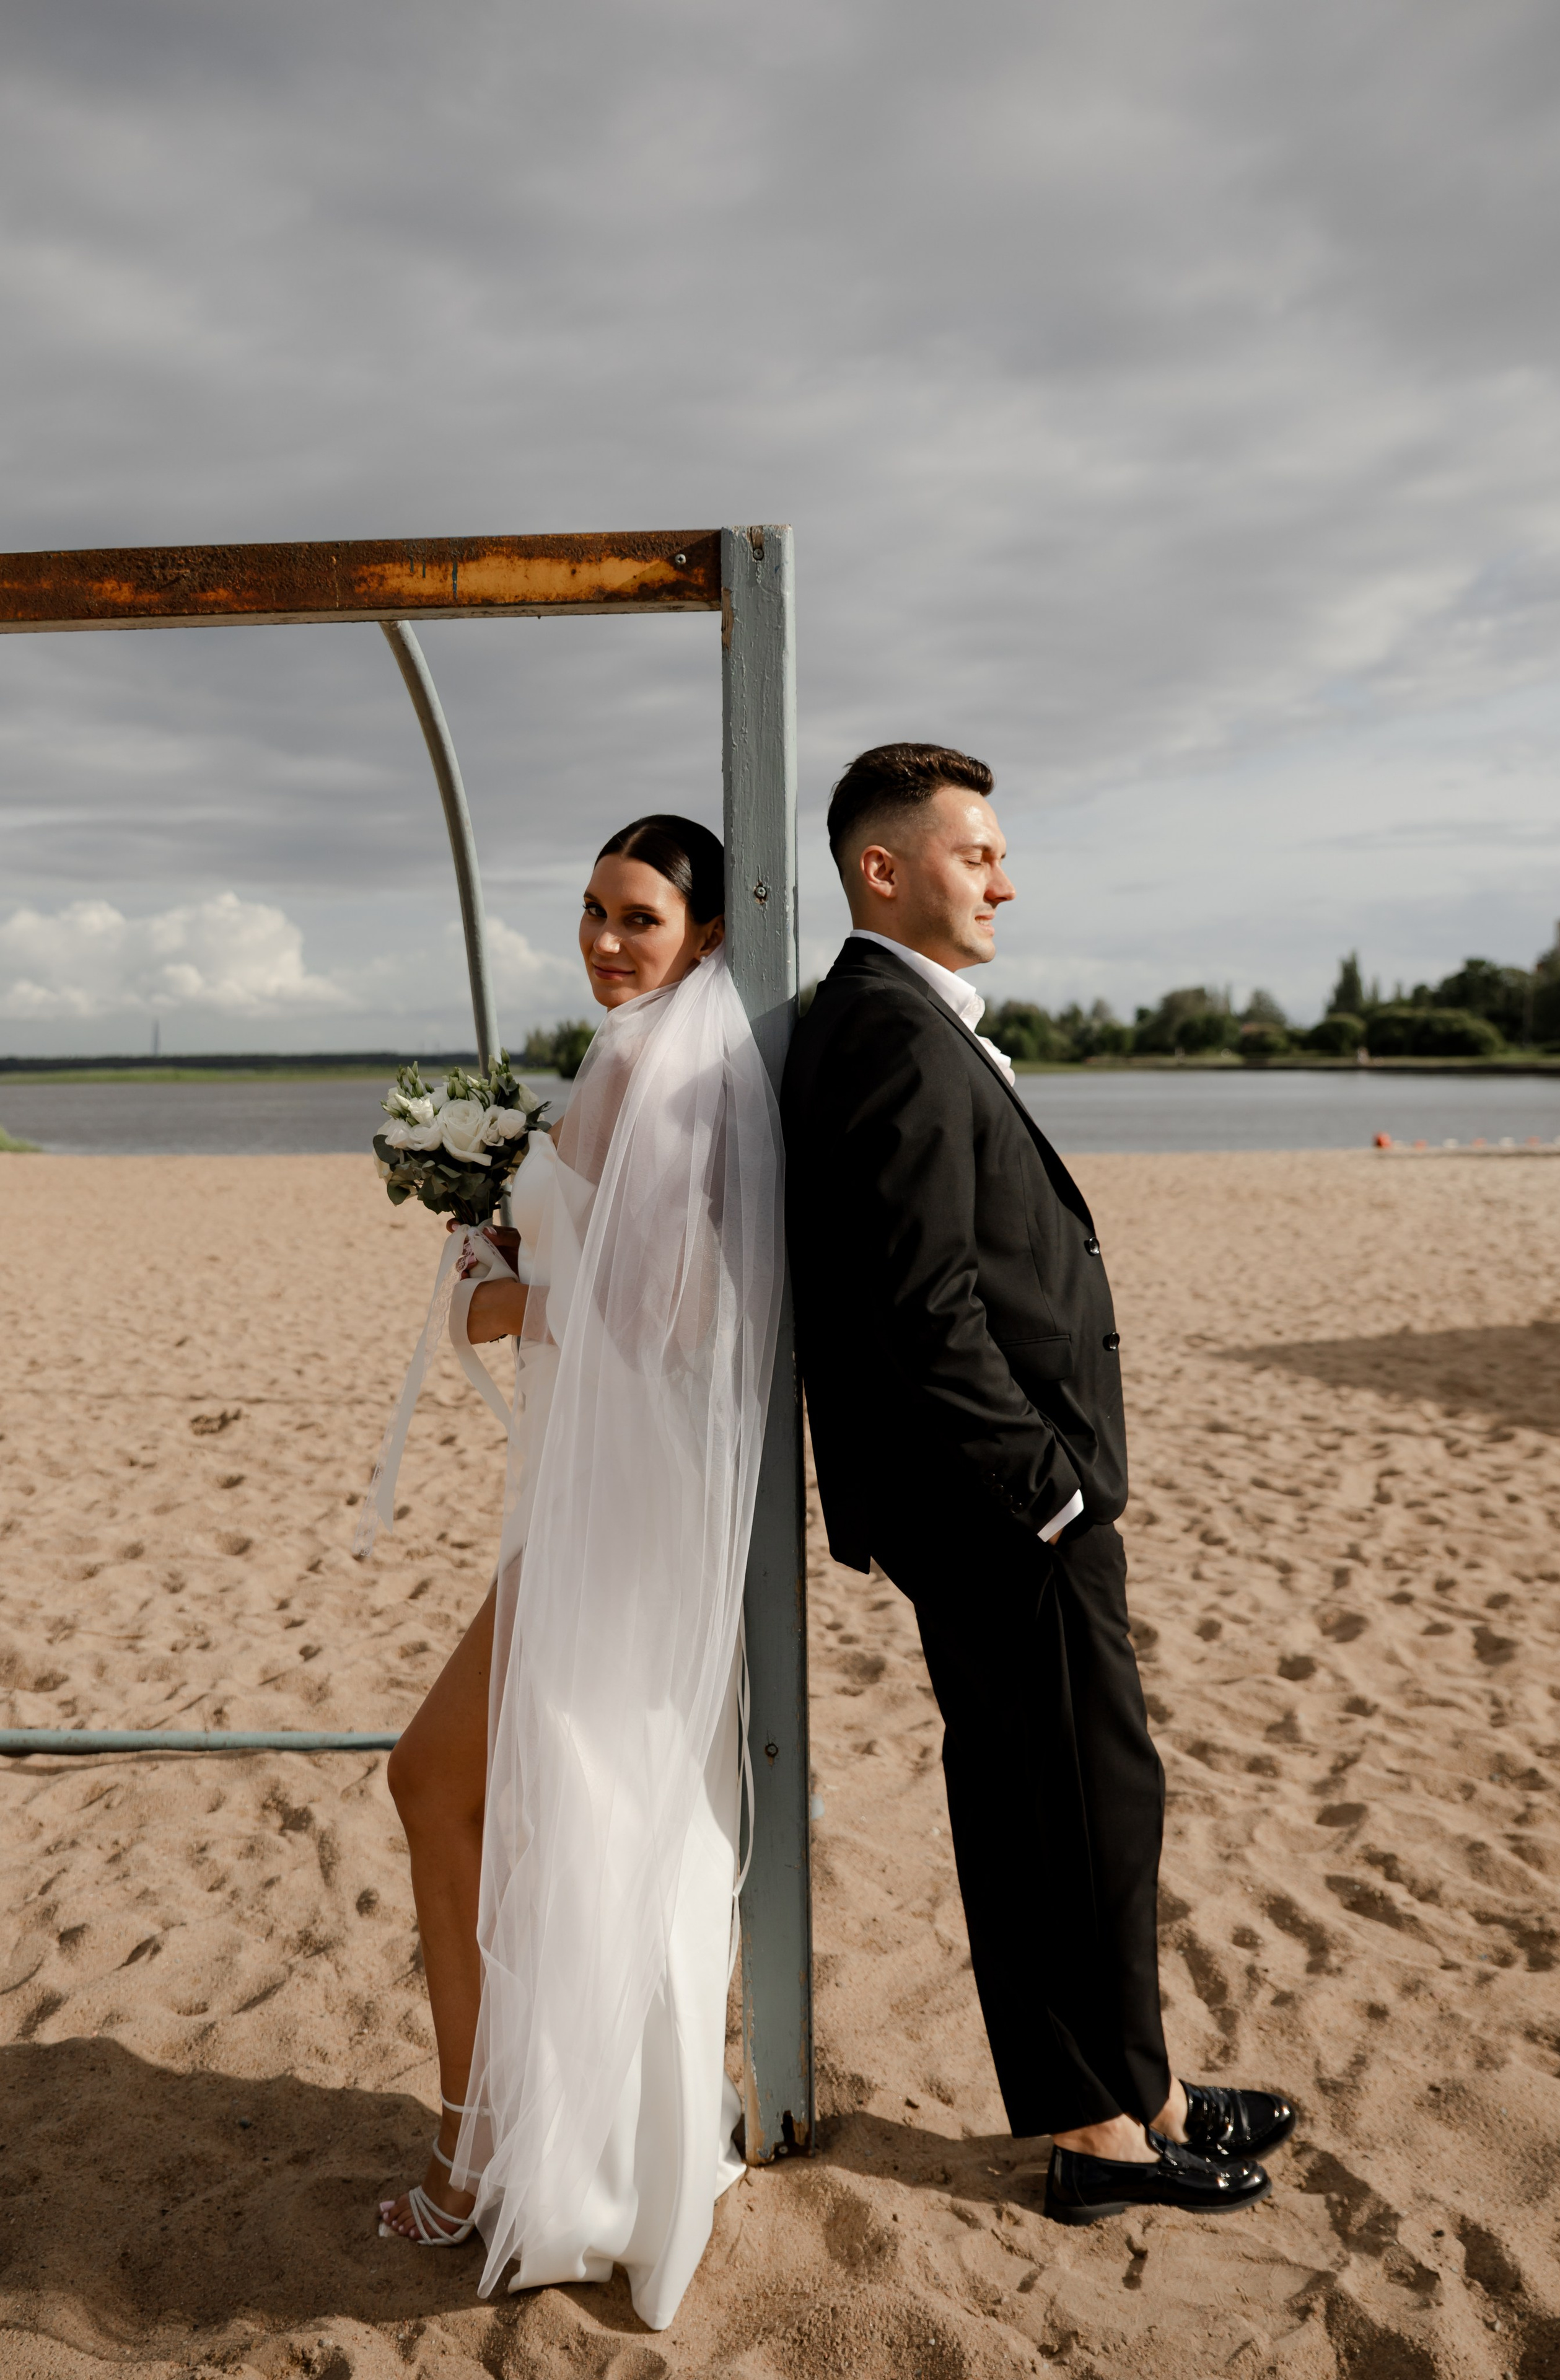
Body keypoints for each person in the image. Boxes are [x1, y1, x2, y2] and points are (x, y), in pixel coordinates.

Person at [781, 744, 1295, 2224]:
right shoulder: (884, 1028)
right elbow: (917, 1298)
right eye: (975, 852)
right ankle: (1091, 2130)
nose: (1005, 877)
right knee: (1054, 1807)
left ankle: (1141, 2088)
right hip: (1000, 1511)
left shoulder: (897, 1019)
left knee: (1087, 1797)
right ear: (882, 869)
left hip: (1006, 1500)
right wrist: (1044, 1486)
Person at [377, 815, 783, 2326]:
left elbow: (659, 1318)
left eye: (641, 918)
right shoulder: (659, 1067)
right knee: (588, 1806)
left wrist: (497, 1288)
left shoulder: (650, 1081)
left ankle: (487, 2159)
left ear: (703, 936)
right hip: (623, 1500)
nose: (608, 942)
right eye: (594, 914)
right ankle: (559, 2145)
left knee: (446, 1784)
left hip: (616, 1513)